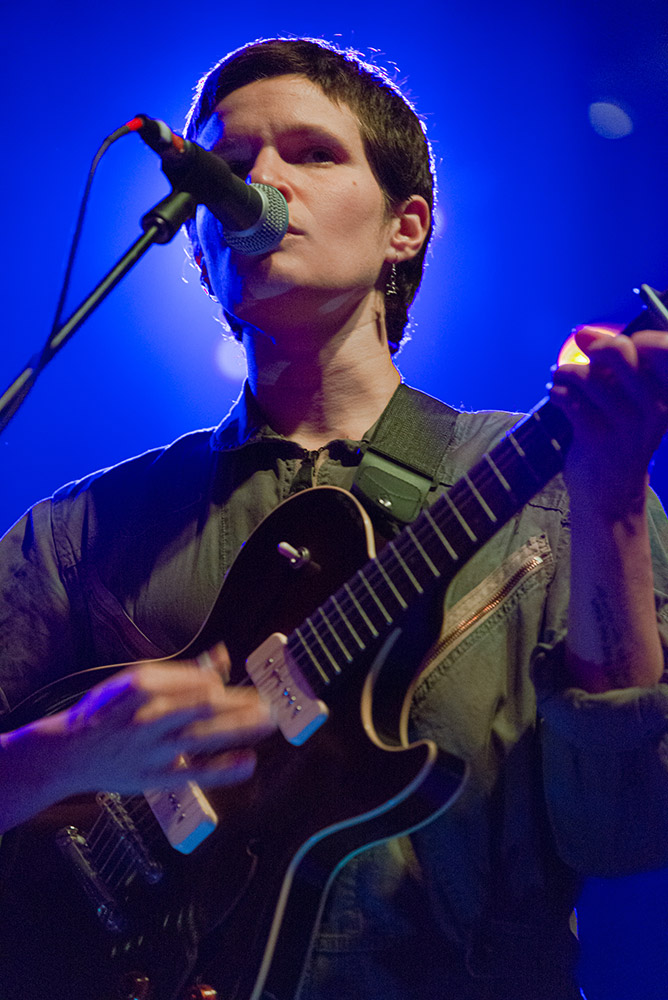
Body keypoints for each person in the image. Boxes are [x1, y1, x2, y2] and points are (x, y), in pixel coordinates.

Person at [1, 36, 668, 1000]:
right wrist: (57, 755)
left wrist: (609, 498)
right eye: (228, 167)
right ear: (197, 241)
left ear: (405, 227)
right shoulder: (82, 530)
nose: (262, 179)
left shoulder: (559, 489)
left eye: (312, 153)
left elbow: (627, 830)